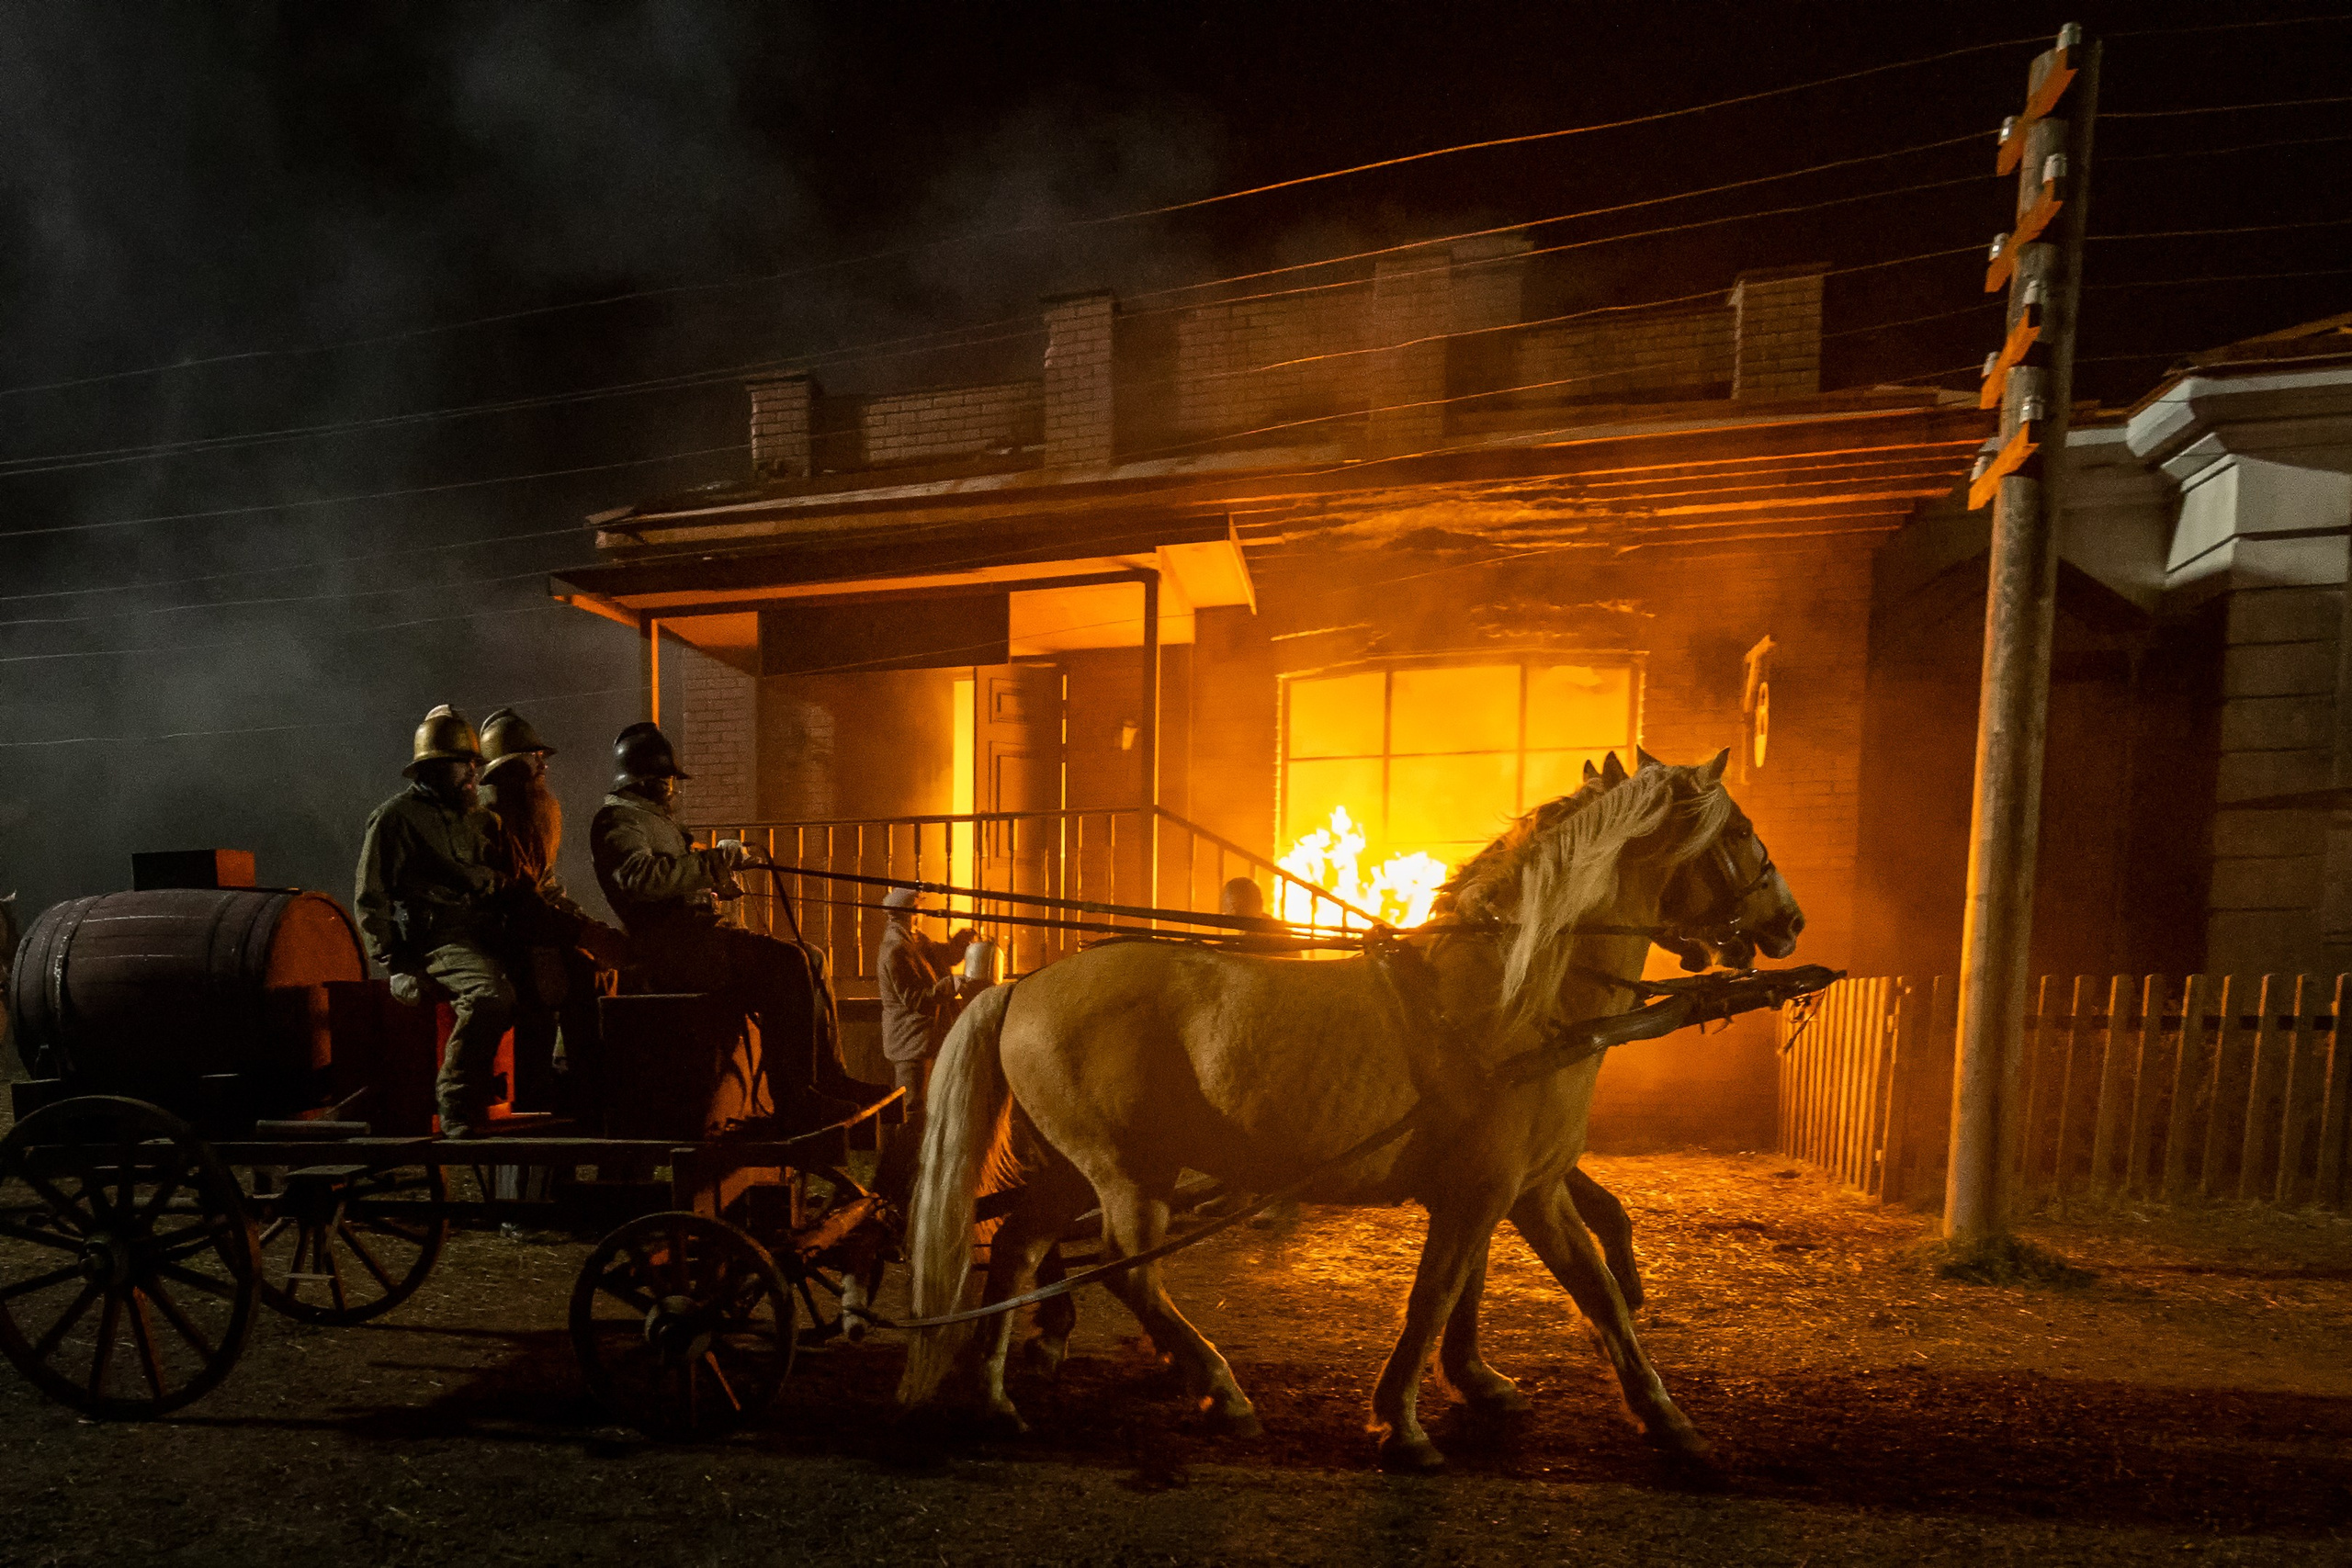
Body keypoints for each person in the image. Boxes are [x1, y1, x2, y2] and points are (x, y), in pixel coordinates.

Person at [588, 721, 885, 1125]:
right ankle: (793, 1098)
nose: (672, 787)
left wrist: (715, 884)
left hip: (697, 939)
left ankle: (829, 1078)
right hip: (668, 949)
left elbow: (676, 876)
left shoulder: (655, 820)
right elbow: (639, 880)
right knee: (785, 964)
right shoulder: (617, 822)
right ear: (640, 781)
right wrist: (711, 864)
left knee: (811, 958)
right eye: (664, 780)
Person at [353, 705, 515, 1139]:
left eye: (474, 765)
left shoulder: (482, 819)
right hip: (439, 938)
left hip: (490, 930)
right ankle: (457, 1102)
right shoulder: (395, 819)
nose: (473, 774)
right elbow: (372, 898)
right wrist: (397, 964)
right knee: (488, 998)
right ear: (436, 767)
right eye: (465, 765)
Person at [476, 706, 622, 1111]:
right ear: (510, 766)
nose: (542, 764)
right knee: (555, 979)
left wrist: (588, 926)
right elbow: (516, 900)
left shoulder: (535, 809)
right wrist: (579, 935)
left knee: (588, 968)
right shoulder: (489, 819)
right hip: (496, 935)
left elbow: (545, 887)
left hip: (529, 924)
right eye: (533, 757)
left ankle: (583, 1083)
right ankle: (543, 1087)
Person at [876, 886, 975, 1122]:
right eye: (918, 910)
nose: (921, 915)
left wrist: (960, 942)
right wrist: (952, 984)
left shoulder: (915, 940)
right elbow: (917, 999)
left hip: (924, 1041)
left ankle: (915, 1155)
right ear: (907, 913)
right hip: (911, 1044)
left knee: (925, 1107)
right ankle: (899, 1157)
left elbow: (944, 955)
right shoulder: (896, 950)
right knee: (912, 1110)